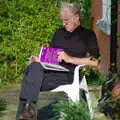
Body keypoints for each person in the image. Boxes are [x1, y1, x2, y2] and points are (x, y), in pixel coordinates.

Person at [16, 2, 100, 120]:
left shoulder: (88, 35)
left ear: (77, 16)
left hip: (69, 74)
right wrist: (39, 59)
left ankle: (25, 113)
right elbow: (51, 57)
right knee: (34, 67)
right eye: (62, 20)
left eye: (66, 20)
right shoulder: (58, 33)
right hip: (52, 71)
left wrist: (70, 59)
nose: (63, 23)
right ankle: (28, 111)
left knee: (30, 79)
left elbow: (95, 61)